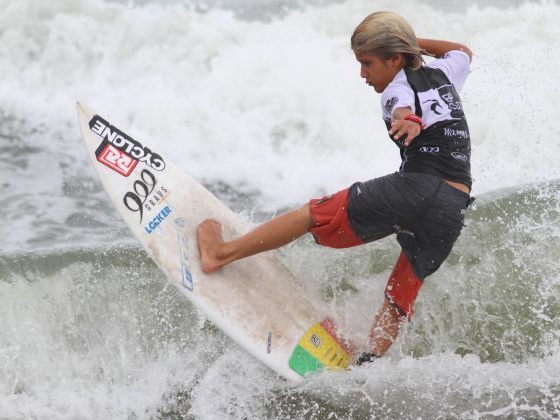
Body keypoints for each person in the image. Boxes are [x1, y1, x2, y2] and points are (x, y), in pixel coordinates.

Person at [197, 11, 474, 365]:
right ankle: (367, 363)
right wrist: (411, 46)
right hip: (454, 205)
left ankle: (220, 254)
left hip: (420, 185)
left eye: (368, 63)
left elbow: (403, 110)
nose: (363, 74)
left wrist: (409, 122)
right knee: (400, 291)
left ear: (395, 58)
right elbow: (462, 50)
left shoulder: (395, 89)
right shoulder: (448, 72)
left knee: (314, 214)